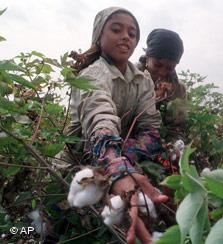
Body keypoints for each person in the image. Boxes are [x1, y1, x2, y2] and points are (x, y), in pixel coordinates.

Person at [67, 7, 168, 244]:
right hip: (77, 161)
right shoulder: (91, 75)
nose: (126, 37)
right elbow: (99, 116)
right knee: (66, 226)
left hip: (114, 156)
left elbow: (152, 130)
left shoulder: (142, 81)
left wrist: (123, 155)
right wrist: (117, 167)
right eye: (116, 29)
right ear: (99, 36)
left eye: (132, 34)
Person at [137, 29, 187, 143]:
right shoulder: (131, 78)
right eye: (157, 65)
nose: (162, 72)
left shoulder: (178, 91)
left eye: (169, 68)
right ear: (148, 57)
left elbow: (177, 129)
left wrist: (174, 145)